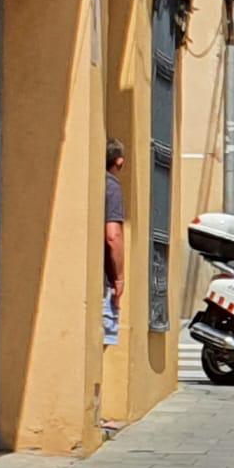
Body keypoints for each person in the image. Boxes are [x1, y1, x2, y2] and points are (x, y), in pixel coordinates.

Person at [104, 138, 127, 347]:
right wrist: (119, 278)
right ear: (119, 162)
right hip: (103, 281)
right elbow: (113, 236)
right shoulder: (111, 187)